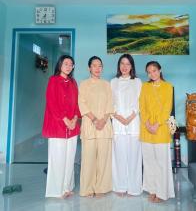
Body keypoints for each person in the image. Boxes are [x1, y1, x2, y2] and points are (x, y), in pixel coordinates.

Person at [42, 55, 81, 198]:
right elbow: (52, 103)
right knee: (57, 159)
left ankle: (67, 187)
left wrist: (75, 119)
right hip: (57, 126)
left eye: (71, 64)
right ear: (60, 65)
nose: (69, 66)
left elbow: (77, 103)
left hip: (72, 127)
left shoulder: (73, 82)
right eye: (66, 63)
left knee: (70, 159)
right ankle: (56, 191)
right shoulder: (53, 80)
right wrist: (65, 120)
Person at [139, 61, 175, 203]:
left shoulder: (168, 86)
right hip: (146, 128)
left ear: (160, 70)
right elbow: (142, 105)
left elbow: (167, 108)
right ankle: (152, 189)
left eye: (154, 70)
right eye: (149, 71)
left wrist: (157, 124)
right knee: (149, 162)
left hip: (161, 129)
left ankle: (162, 192)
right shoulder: (145, 86)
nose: (152, 73)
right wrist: (147, 123)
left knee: (161, 162)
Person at [79, 56, 114, 197]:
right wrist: (94, 120)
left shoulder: (107, 84)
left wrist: (103, 120)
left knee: (104, 158)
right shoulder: (83, 84)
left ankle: (101, 188)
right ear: (89, 68)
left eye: (100, 66)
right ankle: (87, 188)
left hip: (104, 125)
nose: (97, 68)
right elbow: (82, 103)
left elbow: (110, 104)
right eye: (94, 65)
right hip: (90, 124)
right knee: (88, 158)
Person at [111, 54, 142, 196]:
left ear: (132, 66)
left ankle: (134, 187)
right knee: (119, 157)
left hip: (133, 123)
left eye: (128, 64)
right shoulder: (113, 82)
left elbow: (140, 103)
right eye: (122, 63)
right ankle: (120, 186)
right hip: (117, 124)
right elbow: (110, 103)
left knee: (134, 157)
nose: (124, 66)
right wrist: (117, 117)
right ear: (118, 65)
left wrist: (129, 118)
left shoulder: (137, 82)